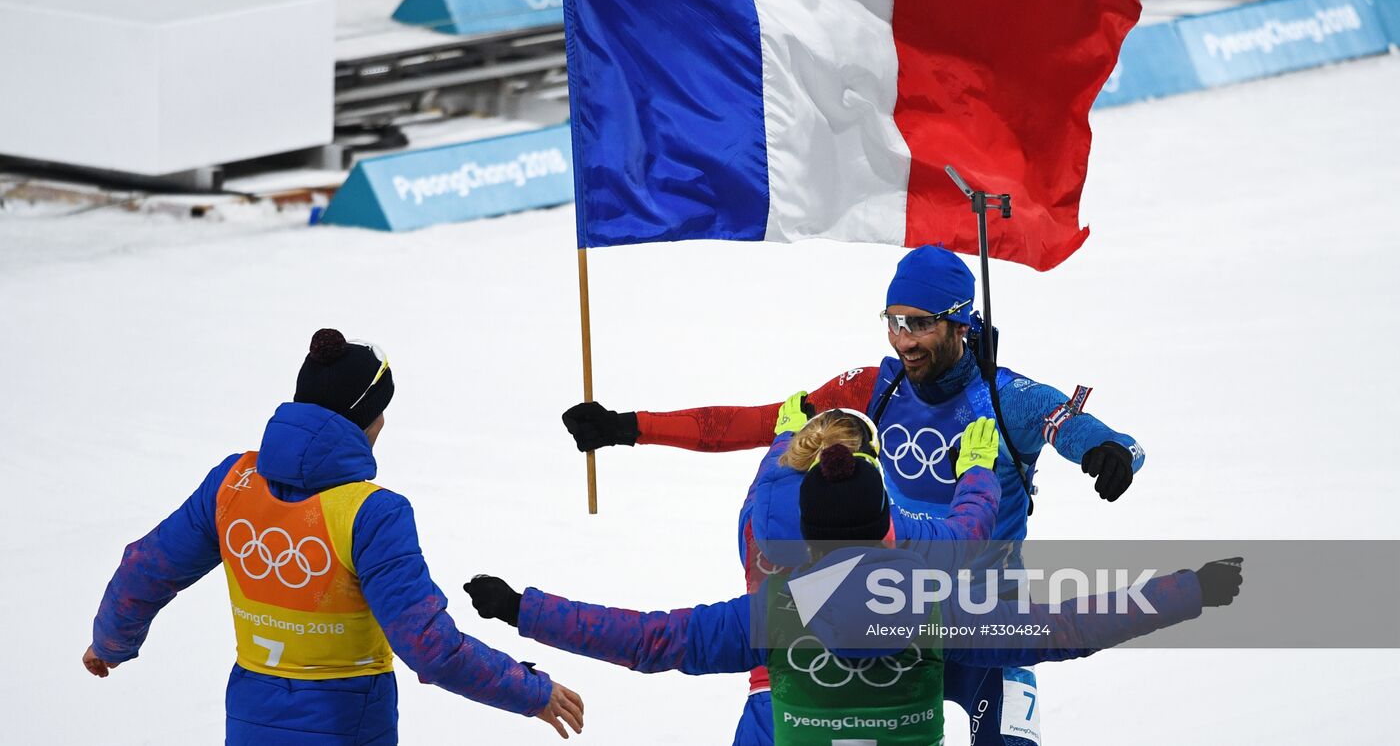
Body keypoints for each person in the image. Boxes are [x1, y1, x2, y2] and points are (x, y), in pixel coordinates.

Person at [561, 244, 1147, 745]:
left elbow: (1074, 426)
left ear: (960, 323)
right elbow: (765, 422)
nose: (903, 340)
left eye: (919, 324)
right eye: (894, 322)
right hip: (888, 616)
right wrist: (630, 427)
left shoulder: (1006, 398)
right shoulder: (876, 386)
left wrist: (1106, 451)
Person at [465, 434, 1242, 746]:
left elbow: (645, 639)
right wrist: (1187, 591)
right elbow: (1069, 628)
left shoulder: (775, 611)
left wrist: (523, 608)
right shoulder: (941, 607)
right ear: (888, 530)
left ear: (805, 541)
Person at [83, 329, 584, 744]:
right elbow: (431, 647)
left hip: (250, 720)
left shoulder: (232, 482)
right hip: (348, 726)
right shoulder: (373, 514)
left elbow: (146, 566)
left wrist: (110, 641)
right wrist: (530, 691)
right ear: (369, 417)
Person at [732, 406, 1002, 745]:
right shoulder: (885, 528)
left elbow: (765, 486)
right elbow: (963, 539)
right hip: (876, 705)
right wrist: (976, 472)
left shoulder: (757, 524)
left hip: (768, 710)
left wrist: (783, 439)